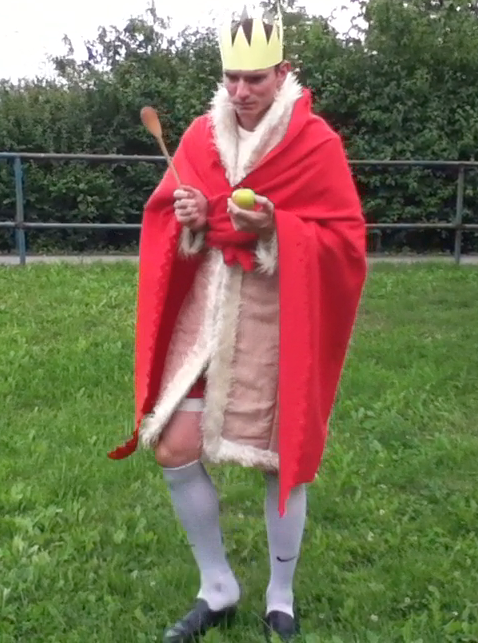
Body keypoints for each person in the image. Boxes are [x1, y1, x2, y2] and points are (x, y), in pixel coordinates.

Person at [108, 4, 367, 641]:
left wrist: (277, 227)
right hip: (207, 317)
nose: (242, 90)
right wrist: (193, 216)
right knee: (173, 445)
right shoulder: (200, 136)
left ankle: (281, 594)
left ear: (283, 72)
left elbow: (345, 241)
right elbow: (171, 213)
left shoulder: (315, 143)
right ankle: (217, 585)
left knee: (283, 457)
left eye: (255, 78)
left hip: (279, 320)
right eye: (232, 77)